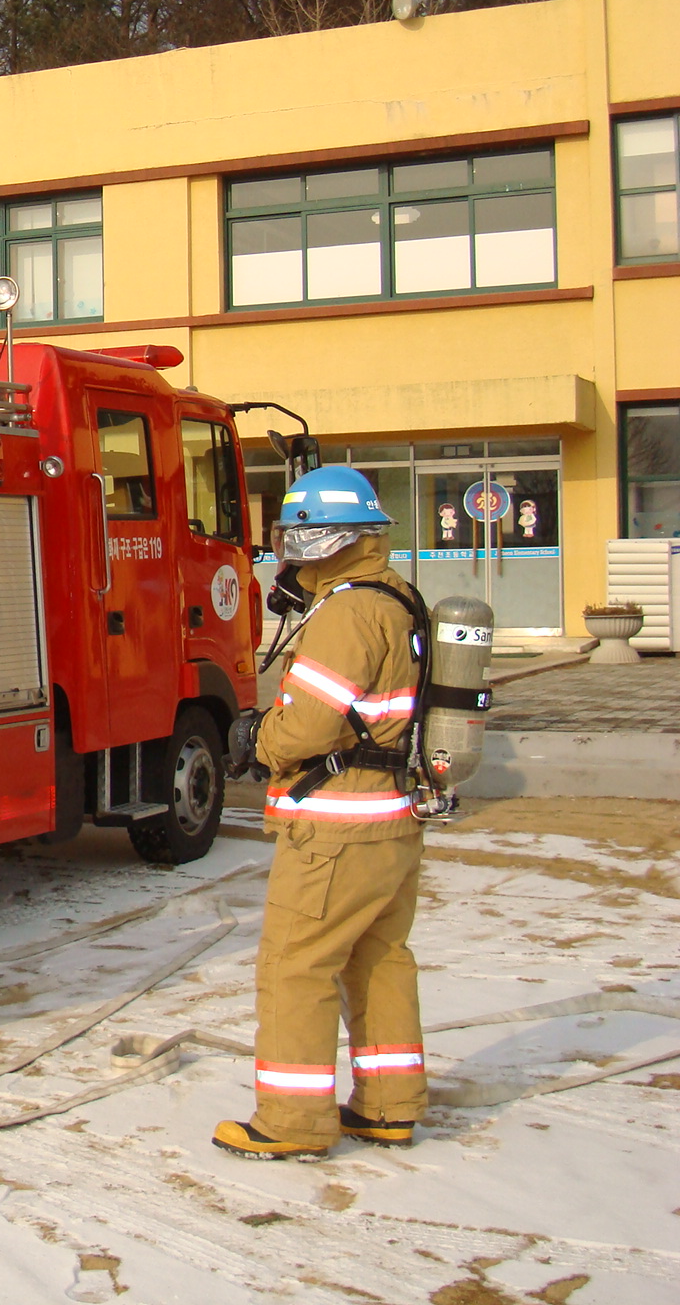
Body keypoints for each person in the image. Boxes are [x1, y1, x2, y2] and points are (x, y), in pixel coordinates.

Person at [215, 465, 428, 1160]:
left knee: (294, 965)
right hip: (391, 820)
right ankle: (388, 1107)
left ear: (324, 537)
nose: (287, 553)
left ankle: (292, 1121)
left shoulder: (346, 615)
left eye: (293, 538)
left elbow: (308, 726)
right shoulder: (397, 598)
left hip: (336, 827)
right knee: (379, 960)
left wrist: (258, 741)